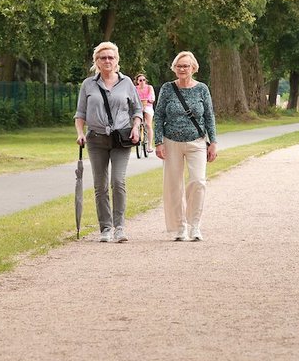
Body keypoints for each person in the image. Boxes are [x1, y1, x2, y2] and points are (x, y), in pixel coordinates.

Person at [74, 42, 143, 243]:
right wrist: (80, 133)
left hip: (121, 139)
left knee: (118, 181)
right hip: (96, 140)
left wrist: (136, 127)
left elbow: (137, 110)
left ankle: (119, 227)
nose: (107, 61)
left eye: (111, 57)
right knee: (100, 185)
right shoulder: (88, 84)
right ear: (96, 61)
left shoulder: (126, 82)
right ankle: (105, 228)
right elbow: (80, 113)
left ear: (116, 60)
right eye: (102, 57)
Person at [153, 51, 218, 242]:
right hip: (171, 141)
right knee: (174, 185)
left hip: (197, 142)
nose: (182, 69)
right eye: (179, 66)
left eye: (186, 66)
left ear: (193, 68)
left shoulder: (202, 89)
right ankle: (179, 227)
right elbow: (159, 116)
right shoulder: (167, 88)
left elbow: (209, 116)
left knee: (198, 181)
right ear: (174, 68)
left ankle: (194, 225)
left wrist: (213, 142)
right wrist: (158, 142)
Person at [135, 73, 156, 152]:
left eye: (144, 80)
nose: (142, 82)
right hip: (138, 107)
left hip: (147, 106)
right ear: (137, 81)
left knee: (148, 125)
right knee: (136, 123)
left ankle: (149, 145)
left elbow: (152, 97)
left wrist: (149, 100)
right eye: (140, 80)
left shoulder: (149, 87)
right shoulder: (135, 89)